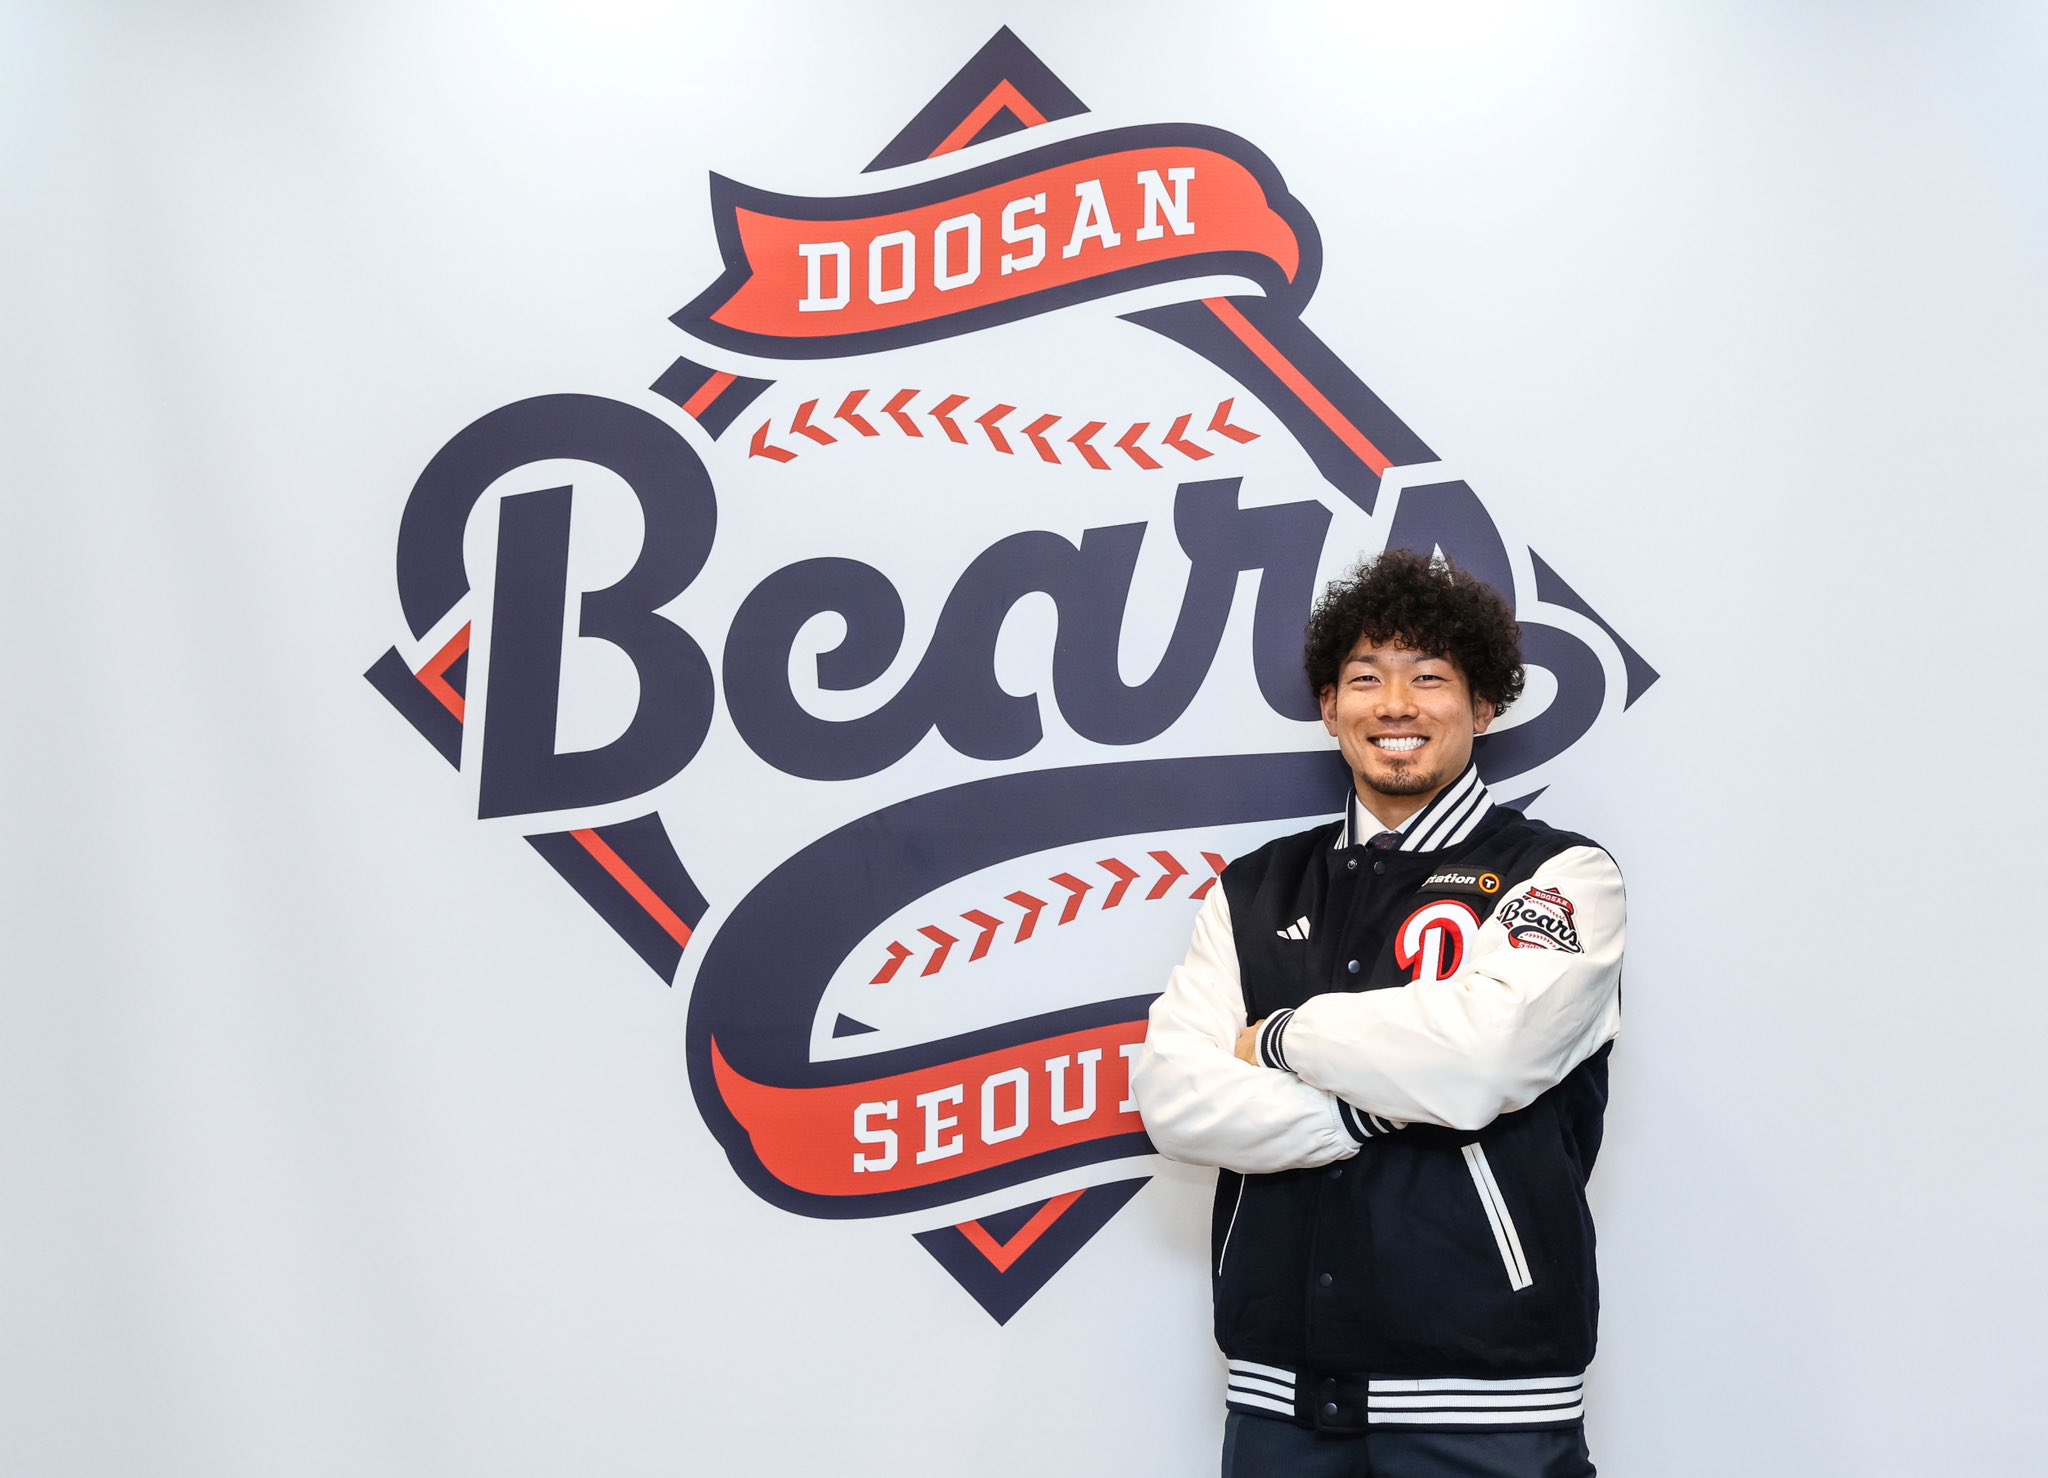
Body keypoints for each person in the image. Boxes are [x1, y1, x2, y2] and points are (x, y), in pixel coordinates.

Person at [1132, 549, 1625, 1478]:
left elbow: (1481, 1059)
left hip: (1489, 1400)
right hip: (1278, 1397)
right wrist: (1383, 1101)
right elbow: (1174, 1100)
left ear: (1484, 707)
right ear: (1330, 708)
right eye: (1365, 679)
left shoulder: (1562, 874)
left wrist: (1284, 1040)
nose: (1395, 705)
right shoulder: (1255, 888)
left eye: (1429, 678)